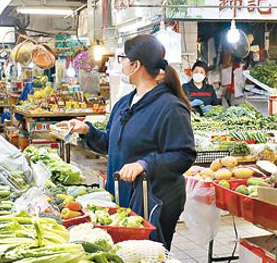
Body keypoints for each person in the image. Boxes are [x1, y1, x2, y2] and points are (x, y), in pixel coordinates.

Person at [60, 34, 196, 248]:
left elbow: (183, 155)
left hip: (154, 199)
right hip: (124, 195)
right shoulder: (124, 103)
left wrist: (144, 164)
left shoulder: (170, 107)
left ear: (136, 65)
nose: (119, 63)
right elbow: (112, 145)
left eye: (122, 58)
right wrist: (87, 131)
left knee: (151, 261)